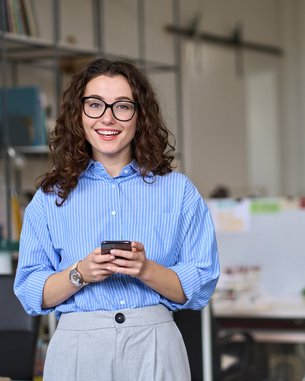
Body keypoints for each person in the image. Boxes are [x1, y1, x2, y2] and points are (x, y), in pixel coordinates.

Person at [14, 58, 220, 381]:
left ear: (140, 115)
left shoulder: (178, 191)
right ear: (78, 114)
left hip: (154, 345)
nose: (107, 118)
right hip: (78, 348)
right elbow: (29, 291)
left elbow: (201, 283)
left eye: (122, 106)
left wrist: (145, 269)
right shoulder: (49, 198)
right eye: (95, 104)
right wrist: (80, 273)